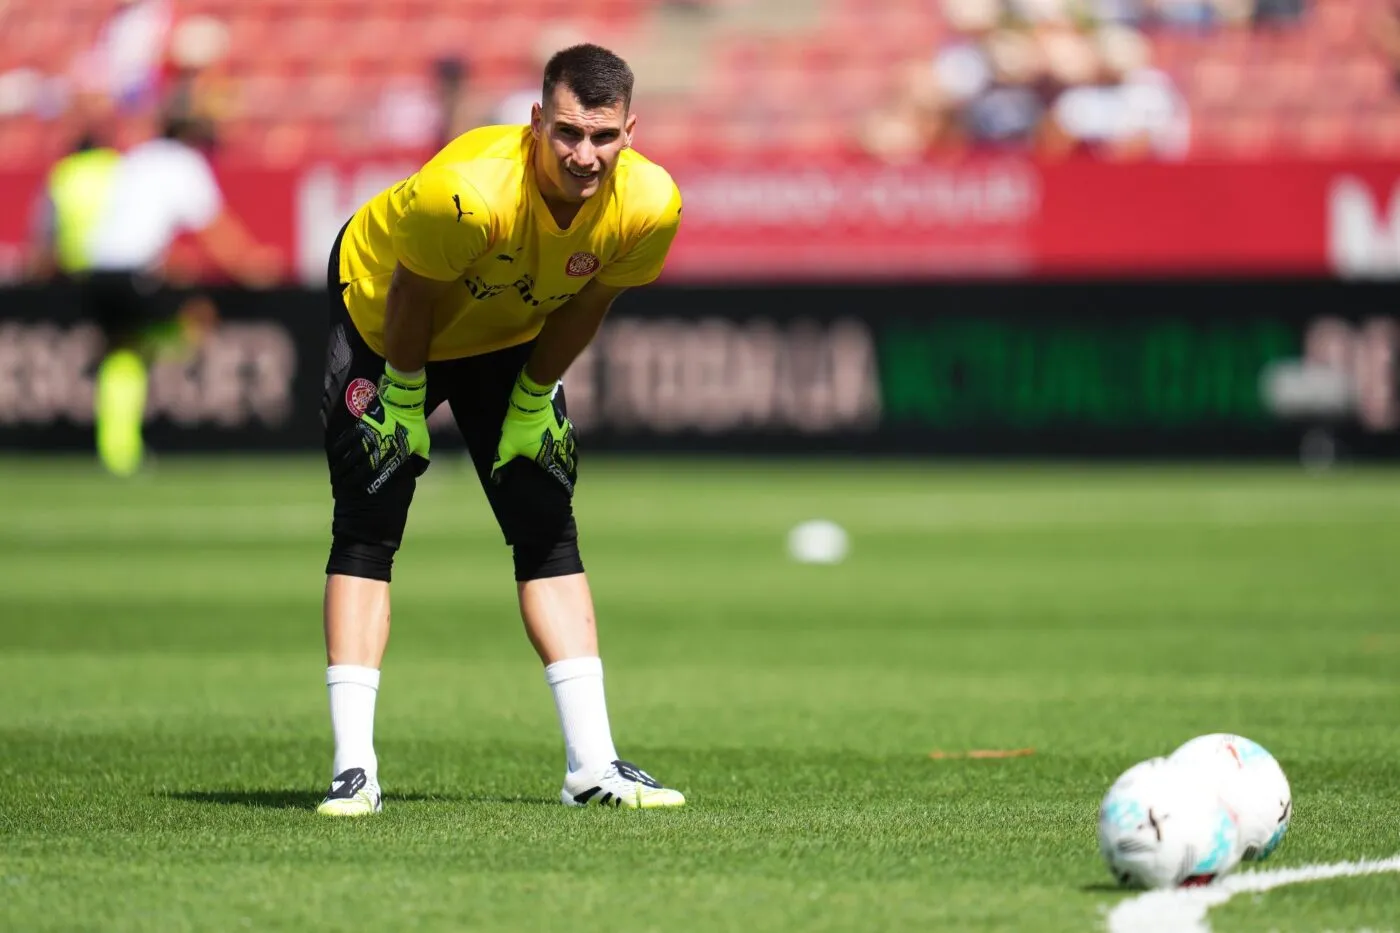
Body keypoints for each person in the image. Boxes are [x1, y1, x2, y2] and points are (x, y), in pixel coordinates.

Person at [317, 43, 685, 816]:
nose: (586, 155)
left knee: (546, 526)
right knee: (369, 525)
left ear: (630, 131)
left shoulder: (649, 203)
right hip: (387, 323)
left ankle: (594, 764)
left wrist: (533, 397)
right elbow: (411, 298)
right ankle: (354, 768)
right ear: (535, 124)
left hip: (506, 331)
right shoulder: (469, 194)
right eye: (568, 133)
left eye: (604, 136)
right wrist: (406, 399)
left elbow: (588, 303)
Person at [82, 112, 278, 477]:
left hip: (97, 268)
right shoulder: (183, 162)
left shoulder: (137, 157)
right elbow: (214, 228)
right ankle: (130, 441)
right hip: (133, 271)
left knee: (123, 353)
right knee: (197, 317)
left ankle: (118, 450)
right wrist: (250, 266)